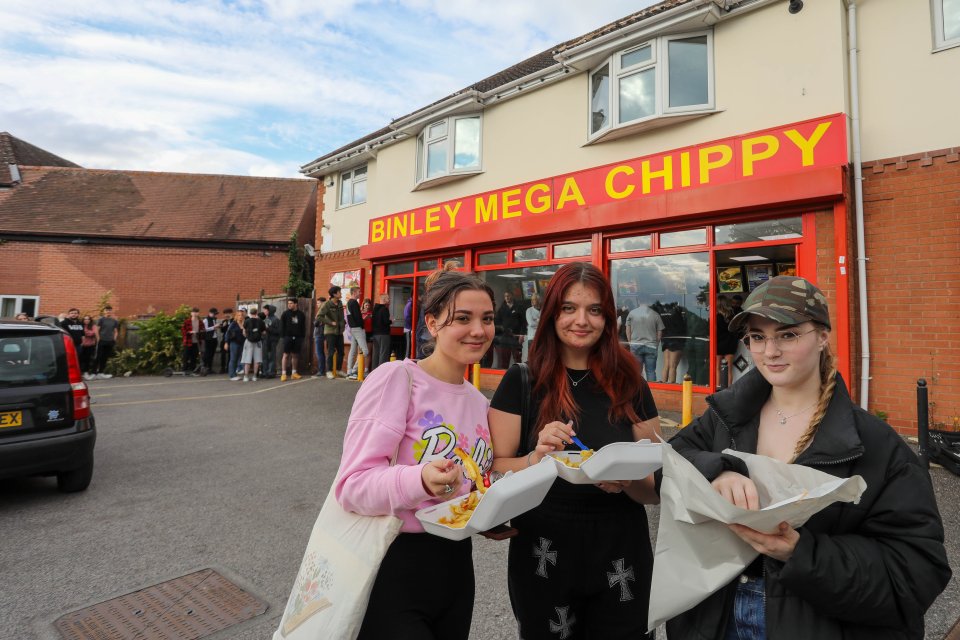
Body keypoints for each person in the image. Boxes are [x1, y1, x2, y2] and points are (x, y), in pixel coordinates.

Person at [664, 276, 951, 640]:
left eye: (788, 335)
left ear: (822, 337)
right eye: (757, 336)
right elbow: (671, 460)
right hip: (715, 617)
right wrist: (717, 471)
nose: (770, 352)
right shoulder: (724, 416)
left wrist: (801, 553)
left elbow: (916, 572)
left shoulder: (876, 446)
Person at [488, 261, 661, 640]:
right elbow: (494, 469)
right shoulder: (521, 381)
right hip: (542, 550)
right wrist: (536, 458)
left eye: (594, 310)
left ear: (608, 318)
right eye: (569, 308)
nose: (581, 320)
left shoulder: (631, 382)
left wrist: (629, 480)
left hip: (621, 547)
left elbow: (653, 486)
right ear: (551, 313)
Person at [335, 268, 496, 639]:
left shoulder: (477, 401)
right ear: (432, 323)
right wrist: (419, 479)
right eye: (462, 318)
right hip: (395, 564)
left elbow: (471, 484)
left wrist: (490, 513)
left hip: (457, 566)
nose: (478, 330)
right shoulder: (397, 380)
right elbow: (352, 486)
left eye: (486, 319)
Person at [626, 298, 663, 382]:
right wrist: (656, 344)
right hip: (651, 345)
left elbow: (628, 329)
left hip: (636, 345)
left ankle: (637, 392)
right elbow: (660, 331)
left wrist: (630, 342)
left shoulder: (632, 313)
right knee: (651, 371)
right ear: (649, 302)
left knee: (636, 372)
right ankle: (652, 391)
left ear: (639, 301)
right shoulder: (655, 314)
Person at [318, 286, 345, 379]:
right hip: (330, 332)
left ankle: (338, 370)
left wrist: (343, 325)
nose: (341, 294)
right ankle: (329, 371)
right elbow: (319, 317)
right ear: (334, 294)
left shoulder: (340, 303)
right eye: (339, 292)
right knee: (330, 352)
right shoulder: (326, 304)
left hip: (339, 332)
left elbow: (341, 317)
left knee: (341, 352)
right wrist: (330, 322)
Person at [494, 290, 525, 368]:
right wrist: (501, 329)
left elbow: (523, 322)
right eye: (505, 296)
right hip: (505, 337)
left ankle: (519, 373)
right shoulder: (502, 308)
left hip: (516, 336)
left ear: (512, 296)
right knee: (504, 360)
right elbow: (497, 322)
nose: (507, 298)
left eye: (508, 296)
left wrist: (522, 334)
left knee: (518, 358)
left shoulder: (519, 307)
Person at [346, 287, 370, 380]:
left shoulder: (348, 303)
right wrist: (363, 319)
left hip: (352, 328)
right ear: (354, 292)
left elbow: (352, 316)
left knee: (352, 350)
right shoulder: (355, 303)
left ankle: (349, 371)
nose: (360, 293)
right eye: (359, 292)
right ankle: (354, 370)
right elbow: (358, 318)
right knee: (365, 351)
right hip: (358, 329)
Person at [659, 302, 685, 384]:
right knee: (673, 366)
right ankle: (672, 385)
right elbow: (683, 329)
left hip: (666, 341)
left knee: (666, 365)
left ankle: (664, 384)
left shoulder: (664, 316)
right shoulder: (678, 316)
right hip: (676, 341)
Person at [280, 298, 306, 381]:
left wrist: (302, 337)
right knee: (286, 355)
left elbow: (303, 327)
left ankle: (294, 373)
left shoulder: (301, 314)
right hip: (288, 337)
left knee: (295, 355)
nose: (289, 305)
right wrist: (283, 337)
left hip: (298, 337)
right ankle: (283, 374)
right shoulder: (285, 314)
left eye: (291, 303)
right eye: (288, 303)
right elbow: (282, 326)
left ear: (296, 304)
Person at [716, 296, 738, 388]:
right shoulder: (732, 315)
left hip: (719, 344)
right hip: (730, 344)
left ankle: (717, 388)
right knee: (729, 369)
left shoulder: (716, 316)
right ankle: (729, 389)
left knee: (717, 369)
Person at [241, 306, 266, 382]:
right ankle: (255, 376)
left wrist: (247, 336)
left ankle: (246, 376)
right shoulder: (261, 321)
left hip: (248, 341)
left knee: (247, 359)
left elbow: (244, 332)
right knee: (257, 359)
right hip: (258, 342)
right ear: (256, 313)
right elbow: (264, 332)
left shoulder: (247, 321)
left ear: (250, 313)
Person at [95, 305, 119, 379]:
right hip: (102, 341)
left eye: (109, 310)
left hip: (110, 341)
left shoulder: (114, 321)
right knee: (98, 357)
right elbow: (96, 330)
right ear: (104, 311)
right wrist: (98, 339)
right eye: (107, 310)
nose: (108, 311)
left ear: (111, 311)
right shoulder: (101, 319)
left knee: (105, 357)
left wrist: (114, 339)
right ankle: (93, 373)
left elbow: (116, 331)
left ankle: (101, 373)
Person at [370, 293, 392, 371]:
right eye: (388, 298)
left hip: (376, 334)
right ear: (384, 300)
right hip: (384, 334)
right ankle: (381, 371)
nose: (389, 300)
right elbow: (386, 322)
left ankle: (374, 370)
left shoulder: (375, 309)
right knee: (384, 353)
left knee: (376, 353)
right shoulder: (385, 309)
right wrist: (391, 321)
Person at [181, 307, 203, 375]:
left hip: (196, 342)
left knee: (194, 357)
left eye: (196, 312)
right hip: (188, 342)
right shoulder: (187, 321)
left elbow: (203, 330)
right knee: (186, 356)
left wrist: (200, 332)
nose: (195, 314)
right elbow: (183, 331)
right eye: (193, 312)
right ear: (191, 313)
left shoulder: (200, 322)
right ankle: (184, 370)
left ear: (198, 313)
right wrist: (189, 332)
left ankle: (192, 370)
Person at [224, 308, 245, 381]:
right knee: (233, 359)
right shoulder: (233, 324)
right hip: (234, 343)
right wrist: (226, 342)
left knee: (239, 359)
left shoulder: (244, 324)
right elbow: (228, 333)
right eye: (239, 315)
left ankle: (235, 373)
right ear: (236, 316)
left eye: (242, 315)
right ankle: (232, 375)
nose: (240, 316)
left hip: (241, 343)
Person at [263, 304, 281, 378]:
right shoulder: (266, 319)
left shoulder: (276, 319)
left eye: (265, 310)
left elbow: (278, 331)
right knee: (265, 357)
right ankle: (265, 372)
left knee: (272, 357)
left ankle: (271, 372)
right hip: (265, 340)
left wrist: (268, 329)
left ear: (270, 311)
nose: (264, 311)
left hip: (272, 341)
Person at [522, 292, 540, 362]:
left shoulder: (543, 310)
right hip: (532, 338)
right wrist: (540, 321)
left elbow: (546, 323)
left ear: (539, 300)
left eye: (534, 299)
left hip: (542, 338)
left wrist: (537, 320)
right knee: (532, 359)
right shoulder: (529, 310)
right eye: (531, 299)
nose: (532, 301)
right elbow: (531, 323)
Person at [311, 298, 327, 378]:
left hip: (319, 333)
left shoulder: (321, 312)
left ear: (323, 303)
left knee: (319, 353)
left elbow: (316, 323)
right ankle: (322, 370)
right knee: (321, 353)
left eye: (318, 303)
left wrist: (315, 321)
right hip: (322, 332)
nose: (317, 305)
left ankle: (321, 371)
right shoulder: (327, 312)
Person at [79, 315, 98, 380]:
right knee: (80, 359)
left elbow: (94, 333)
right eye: (85, 319)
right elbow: (81, 333)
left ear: (90, 320)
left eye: (88, 319)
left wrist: (85, 333)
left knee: (87, 359)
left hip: (90, 345)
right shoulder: (80, 325)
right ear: (83, 320)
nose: (86, 320)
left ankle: (85, 372)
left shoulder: (93, 326)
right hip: (82, 345)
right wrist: (88, 333)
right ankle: (80, 373)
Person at [201, 308, 219, 374]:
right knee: (207, 354)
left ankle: (210, 368)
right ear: (210, 313)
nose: (215, 315)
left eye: (215, 314)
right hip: (208, 339)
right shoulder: (205, 320)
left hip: (214, 338)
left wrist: (217, 327)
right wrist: (214, 327)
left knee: (212, 354)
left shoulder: (214, 319)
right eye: (214, 314)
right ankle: (205, 368)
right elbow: (205, 329)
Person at [218, 308, 233, 374]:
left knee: (230, 354)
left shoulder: (234, 321)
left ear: (231, 313)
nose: (226, 315)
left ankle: (229, 367)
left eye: (227, 313)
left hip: (232, 339)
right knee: (223, 354)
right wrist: (222, 326)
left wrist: (227, 325)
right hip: (224, 339)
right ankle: (222, 368)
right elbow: (222, 331)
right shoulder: (224, 321)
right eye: (225, 314)